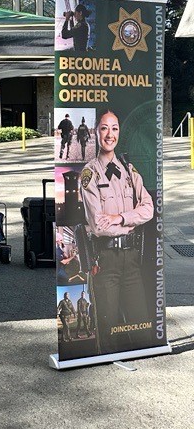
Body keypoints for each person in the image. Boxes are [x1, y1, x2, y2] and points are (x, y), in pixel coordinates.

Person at [80, 108, 154, 352]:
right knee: (108, 327)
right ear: (96, 132)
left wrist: (121, 218)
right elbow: (99, 225)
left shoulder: (129, 172)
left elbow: (149, 209)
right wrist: (132, 221)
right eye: (104, 128)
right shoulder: (90, 174)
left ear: (119, 133)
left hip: (132, 258)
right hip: (106, 259)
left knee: (140, 324)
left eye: (114, 128)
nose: (109, 134)